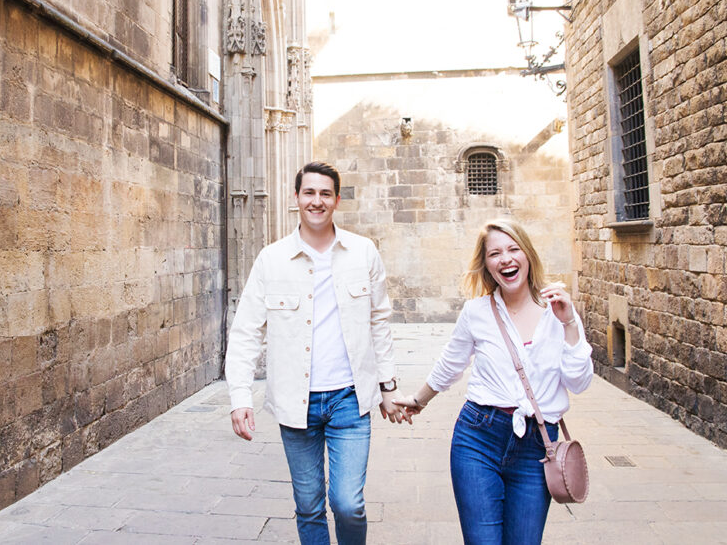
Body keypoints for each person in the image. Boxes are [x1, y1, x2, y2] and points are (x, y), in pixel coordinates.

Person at [225, 161, 409, 545]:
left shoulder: (363, 252)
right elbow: (245, 332)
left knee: (347, 504)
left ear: (336, 200)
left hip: (349, 400)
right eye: (309, 192)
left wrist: (388, 386)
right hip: (297, 403)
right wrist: (239, 397)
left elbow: (379, 322)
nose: (317, 201)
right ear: (296, 198)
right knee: (308, 506)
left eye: (325, 193)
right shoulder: (271, 259)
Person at [394, 218, 593, 545]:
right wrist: (419, 399)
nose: (506, 259)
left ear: (528, 255)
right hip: (478, 438)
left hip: (537, 447)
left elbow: (579, 381)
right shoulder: (477, 312)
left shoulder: (557, 313)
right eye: (495, 253)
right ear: (486, 265)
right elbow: (451, 364)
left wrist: (570, 323)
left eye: (514, 249)